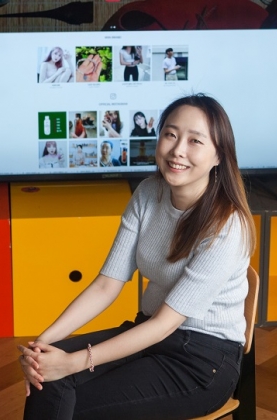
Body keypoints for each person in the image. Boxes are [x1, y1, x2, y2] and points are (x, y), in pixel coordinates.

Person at [18, 94, 256, 419]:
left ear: (219, 155)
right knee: (47, 370)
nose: (178, 150)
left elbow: (164, 324)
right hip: (149, 334)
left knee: (73, 400)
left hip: (201, 362)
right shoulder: (148, 193)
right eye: (170, 134)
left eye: (195, 141)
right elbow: (106, 285)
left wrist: (73, 362)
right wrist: (40, 347)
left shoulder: (227, 226)